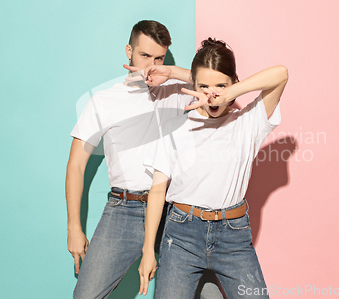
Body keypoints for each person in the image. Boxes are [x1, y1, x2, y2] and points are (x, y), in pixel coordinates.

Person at [139, 38, 289, 298]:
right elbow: (156, 191)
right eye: (204, 87)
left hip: (233, 236)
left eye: (221, 85)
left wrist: (231, 92)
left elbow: (281, 74)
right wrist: (146, 251)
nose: (213, 94)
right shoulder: (176, 127)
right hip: (181, 235)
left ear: (234, 84)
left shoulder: (248, 122)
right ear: (193, 86)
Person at [66, 20, 205, 298]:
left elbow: (221, 87)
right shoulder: (103, 101)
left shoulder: (177, 93)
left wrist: (173, 73)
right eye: (144, 56)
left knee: (207, 292)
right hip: (124, 209)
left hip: (172, 209)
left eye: (159, 58)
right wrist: (74, 227)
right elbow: (76, 164)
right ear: (129, 51)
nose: (150, 65)